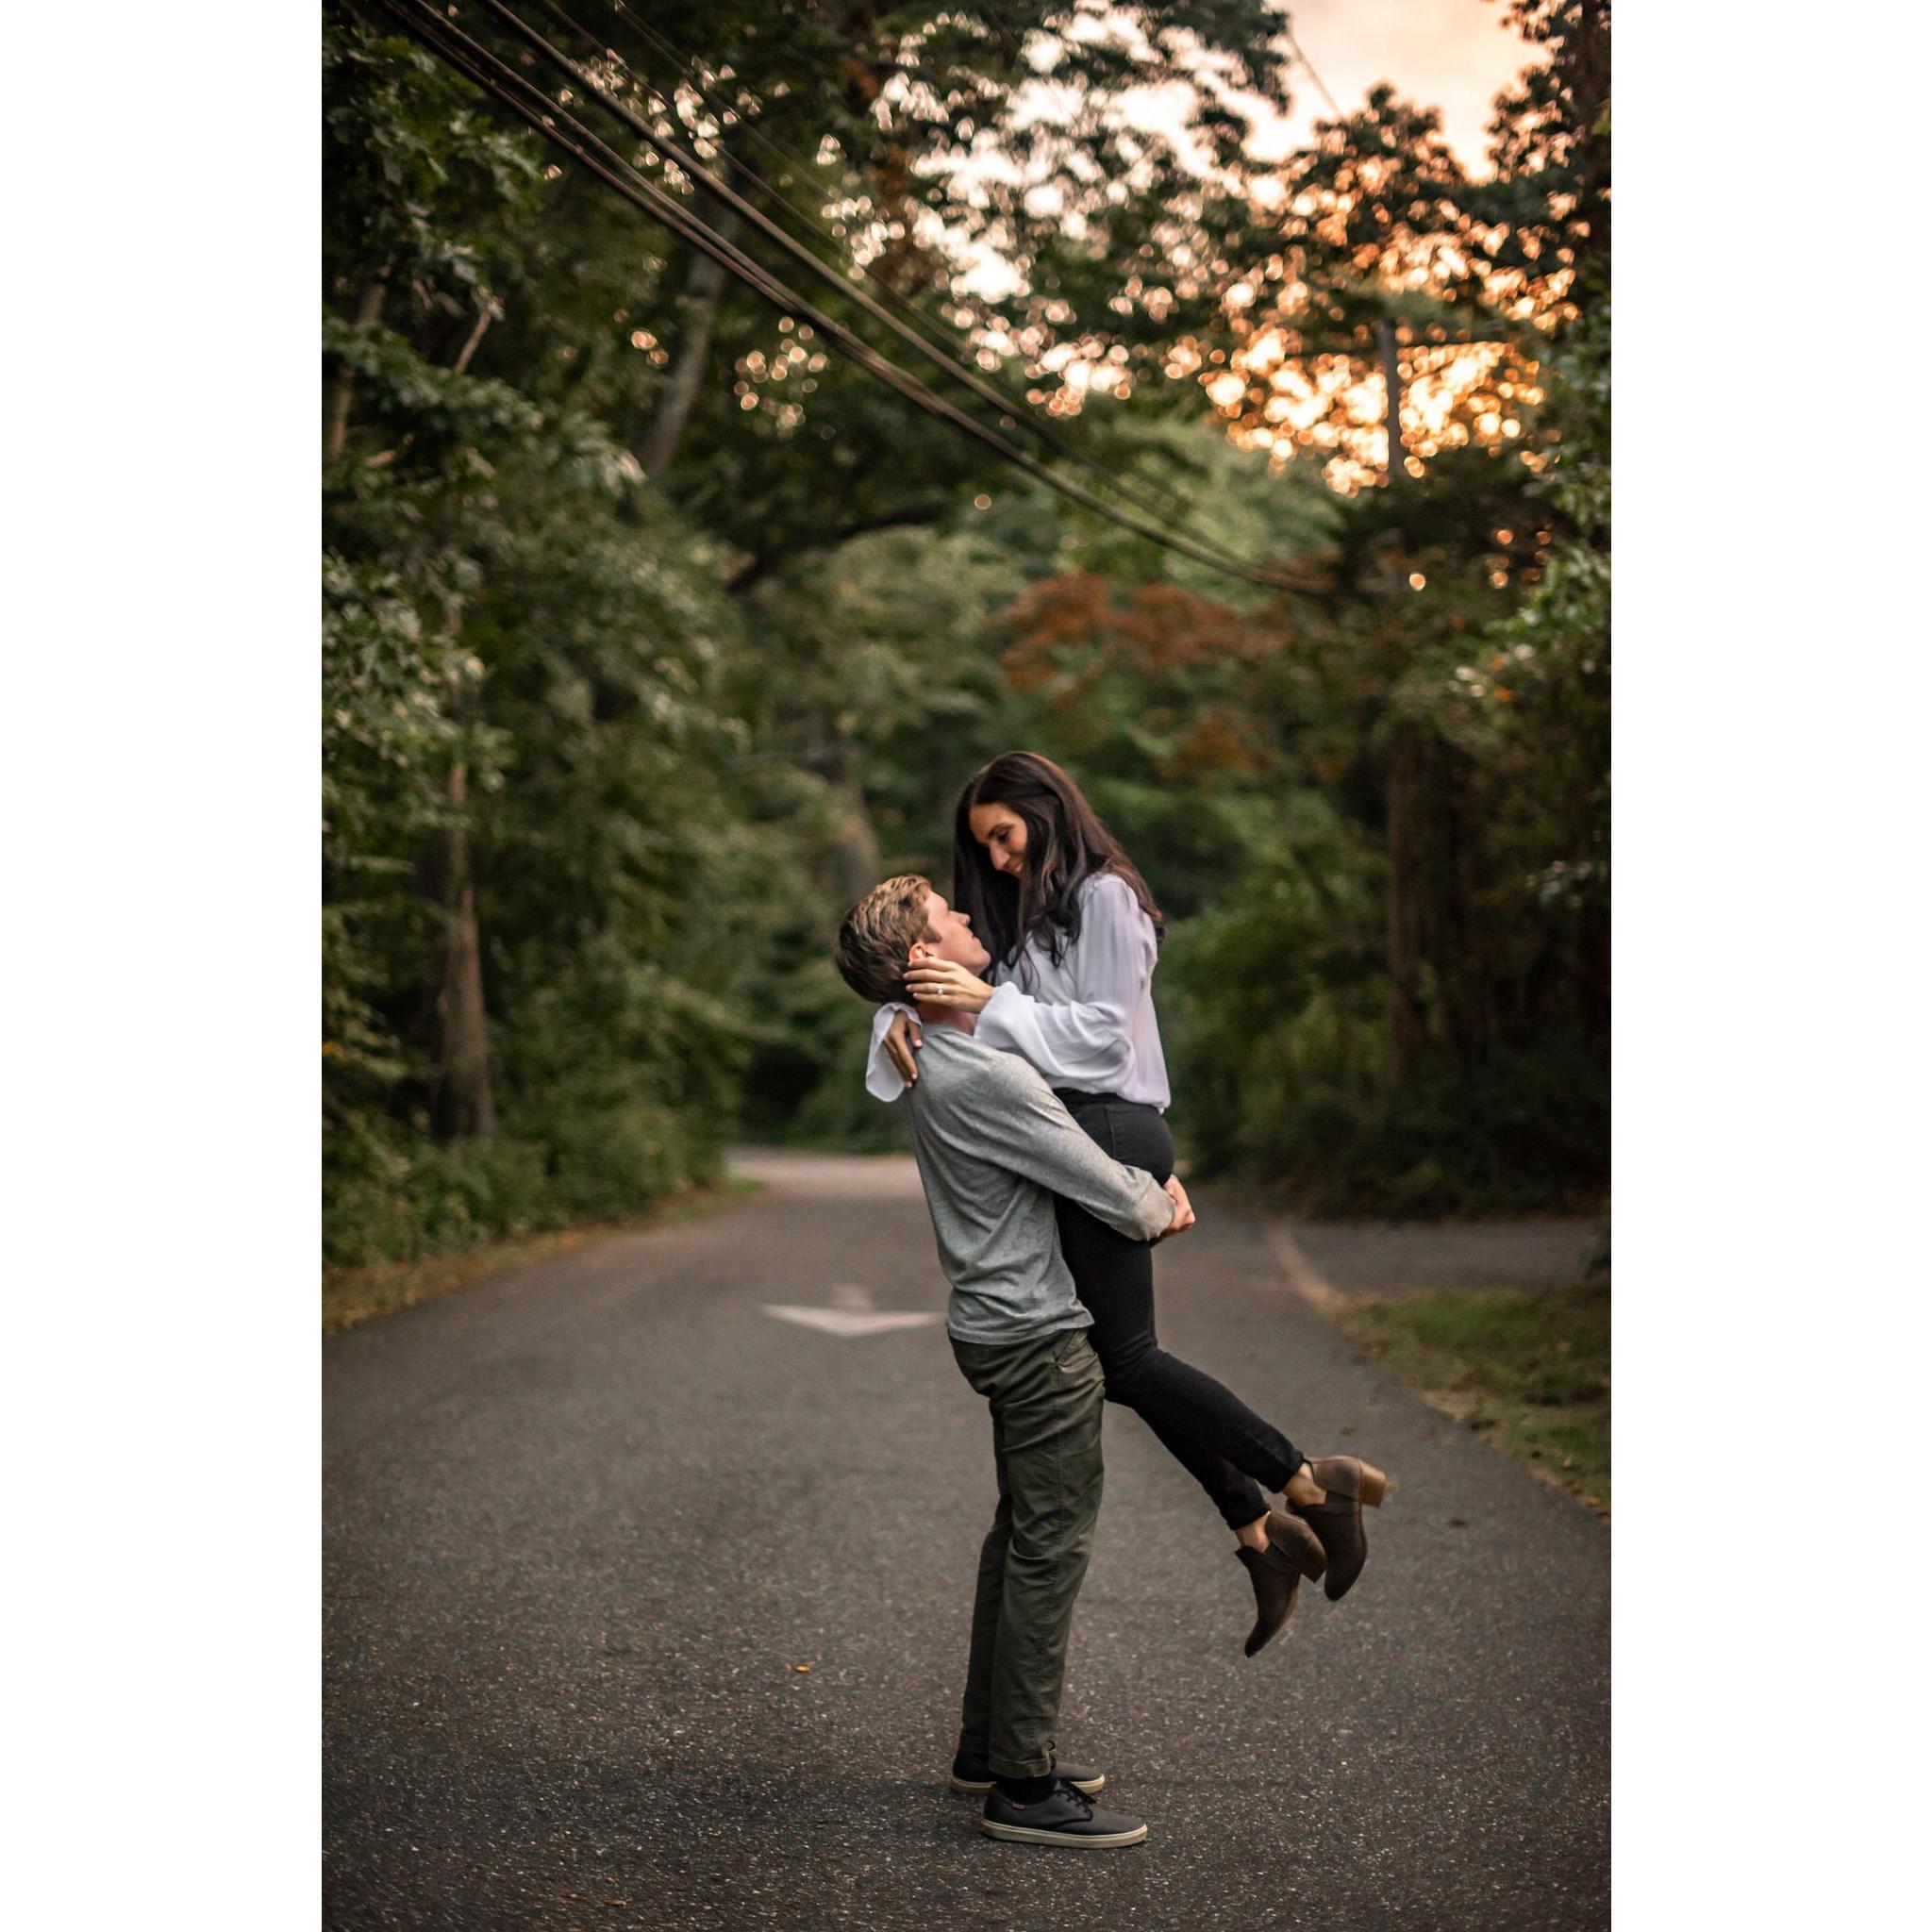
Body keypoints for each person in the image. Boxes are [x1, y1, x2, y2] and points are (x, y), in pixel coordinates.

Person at [867, 751, 1389, 1657]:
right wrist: (897, 1013)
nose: (994, 861)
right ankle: (1260, 1530)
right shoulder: (1025, 915)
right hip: (1074, 1136)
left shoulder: (1105, 897)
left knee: (1126, 1357)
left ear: (1046, 807)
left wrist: (991, 1003)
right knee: (1110, 1360)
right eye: (982, 847)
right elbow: (953, 1001)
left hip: (1109, 1121)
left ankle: (1305, 1481)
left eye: (1004, 835)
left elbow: (1103, 1042)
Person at [835, 872, 1188, 1848]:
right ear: (923, 959)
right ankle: (1023, 1787)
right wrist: (1161, 1196)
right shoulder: (978, 1071)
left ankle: (987, 1745)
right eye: (947, 913)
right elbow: (1110, 1193)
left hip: (993, 1327)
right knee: (1048, 1544)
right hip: (1034, 1336)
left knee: (1018, 1530)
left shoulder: (935, 1058)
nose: (965, 914)